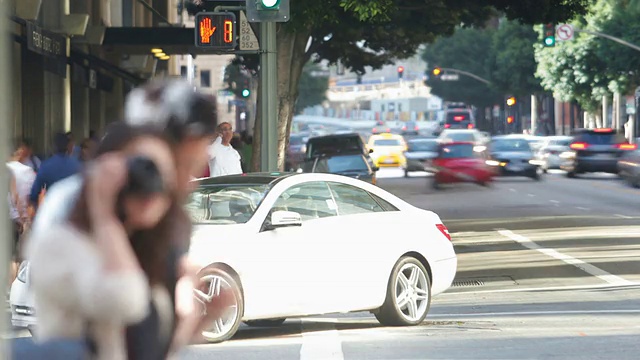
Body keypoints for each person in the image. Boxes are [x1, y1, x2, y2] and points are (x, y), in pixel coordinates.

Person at [29, 79, 234, 358]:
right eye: (179, 165)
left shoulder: (160, 234)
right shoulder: (68, 219)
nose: (183, 181)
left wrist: (197, 321)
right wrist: (103, 212)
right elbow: (124, 301)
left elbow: (146, 344)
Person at [25, 125, 179, 359]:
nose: (150, 182)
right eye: (139, 167)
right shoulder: (58, 245)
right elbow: (125, 300)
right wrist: (103, 210)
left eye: (161, 171)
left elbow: (149, 348)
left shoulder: (148, 247)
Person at [28, 132, 81, 208]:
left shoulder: (46, 166)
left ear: (54, 146)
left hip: (53, 209)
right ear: (68, 145)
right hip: (73, 210)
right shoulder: (77, 165)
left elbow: (34, 193)